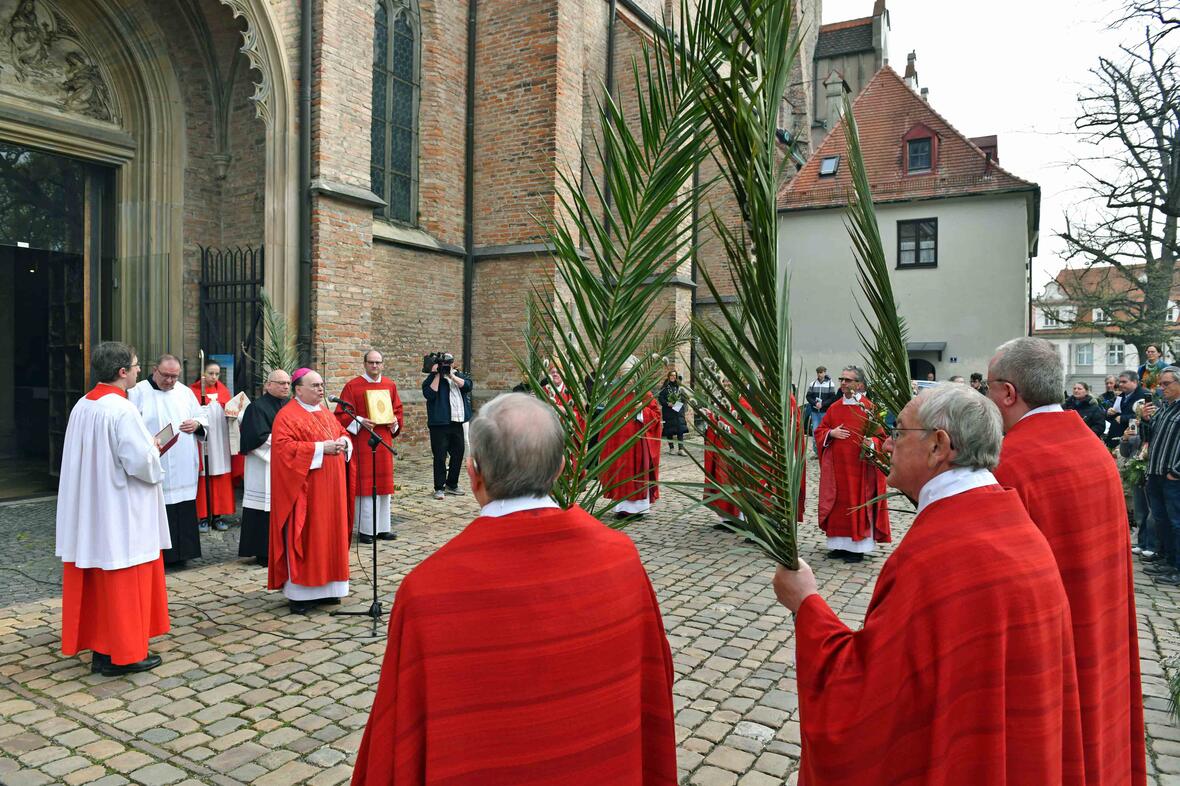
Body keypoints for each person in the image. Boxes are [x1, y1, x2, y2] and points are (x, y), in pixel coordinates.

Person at [351, 393, 677, 785]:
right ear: (560, 468)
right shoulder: (621, 557)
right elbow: (655, 677)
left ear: (473, 474)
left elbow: (398, 731)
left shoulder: (426, 592)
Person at [773, 384, 1085, 786]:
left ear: (939, 446)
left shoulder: (937, 553)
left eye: (899, 432)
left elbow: (869, 701)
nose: (886, 445)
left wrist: (806, 604)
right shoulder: (1011, 519)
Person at [987, 337, 1146, 786]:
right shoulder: (1092, 448)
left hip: (1047, 657)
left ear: (1008, 393)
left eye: (988, 388)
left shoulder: (1010, 464)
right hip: (1098, 625)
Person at [56, 342, 171, 677]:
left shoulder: (83, 404)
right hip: (121, 508)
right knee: (124, 574)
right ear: (122, 372)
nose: (138, 370)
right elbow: (140, 463)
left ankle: (102, 649)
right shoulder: (122, 410)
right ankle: (125, 653)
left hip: (91, 505)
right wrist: (155, 448)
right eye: (136, 366)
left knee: (100, 574)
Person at [268, 369, 353, 614]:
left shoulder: (325, 412)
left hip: (333, 490)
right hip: (306, 491)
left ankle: (330, 589)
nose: (320, 389)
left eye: (321, 385)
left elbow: (342, 433)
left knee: (331, 535)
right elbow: (284, 450)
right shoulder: (287, 416)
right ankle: (302, 594)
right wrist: (319, 449)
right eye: (314, 385)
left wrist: (344, 443)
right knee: (309, 535)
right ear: (298, 389)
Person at [129, 354, 208, 567]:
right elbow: (129, 426)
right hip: (157, 461)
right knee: (159, 506)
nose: (171, 381)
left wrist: (197, 424)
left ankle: (185, 553)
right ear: (155, 370)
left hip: (183, 461)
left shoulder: (185, 392)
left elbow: (201, 416)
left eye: (175, 377)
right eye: (166, 376)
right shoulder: (137, 392)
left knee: (183, 507)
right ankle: (160, 556)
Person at [813, 366, 890, 562]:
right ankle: (838, 545)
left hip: (859, 469)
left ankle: (857, 548)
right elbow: (820, 429)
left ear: (860, 384)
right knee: (838, 503)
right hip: (837, 469)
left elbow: (881, 438)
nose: (843, 383)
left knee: (857, 504)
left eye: (848, 380)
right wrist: (831, 433)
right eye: (842, 379)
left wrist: (871, 442)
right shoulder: (834, 407)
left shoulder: (869, 408)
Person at [335, 350, 404, 543]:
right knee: (366, 485)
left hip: (383, 440)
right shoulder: (352, 386)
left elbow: (397, 410)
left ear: (382, 364)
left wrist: (394, 422)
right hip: (363, 440)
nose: (374, 366)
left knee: (383, 485)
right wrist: (359, 421)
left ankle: (383, 527)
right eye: (371, 362)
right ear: (364, 364)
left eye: (378, 362)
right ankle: (366, 529)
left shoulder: (390, 385)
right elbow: (341, 414)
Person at [237, 369, 291, 566]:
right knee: (262, 507)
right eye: (280, 383)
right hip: (264, 464)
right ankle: (262, 552)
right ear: (268, 385)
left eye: (287, 383)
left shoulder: (290, 405)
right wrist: (287, 446)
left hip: (286, 465)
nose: (285, 386)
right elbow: (256, 437)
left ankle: (283, 547)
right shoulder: (257, 408)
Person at [600, 357, 662, 519]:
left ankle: (638, 509)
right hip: (619, 444)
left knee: (636, 474)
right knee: (621, 474)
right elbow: (608, 418)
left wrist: (641, 411)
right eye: (624, 374)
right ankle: (621, 508)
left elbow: (656, 415)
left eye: (630, 374)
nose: (628, 379)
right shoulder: (616, 393)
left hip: (637, 444)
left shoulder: (643, 392)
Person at [1140, 366, 1180, 585]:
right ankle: (1168, 559)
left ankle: (1178, 568)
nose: (1161, 388)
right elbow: (1150, 438)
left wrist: (1176, 472)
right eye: (1160, 384)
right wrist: (1146, 420)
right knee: (1162, 521)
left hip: (1173, 477)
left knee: (1177, 523)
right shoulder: (1164, 408)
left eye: (1166, 384)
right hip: (1155, 473)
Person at [190, 361, 235, 531]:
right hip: (203, 440)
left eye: (217, 374)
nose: (214, 377)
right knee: (204, 474)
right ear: (203, 374)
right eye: (211, 373)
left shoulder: (223, 391)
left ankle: (218, 515)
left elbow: (230, 411)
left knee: (220, 474)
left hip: (220, 439)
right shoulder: (192, 392)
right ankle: (202, 515)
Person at [422, 352, 473, 500]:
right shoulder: (432, 378)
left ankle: (452, 484)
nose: (446, 367)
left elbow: (468, 386)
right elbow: (430, 394)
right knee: (440, 456)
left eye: (448, 364)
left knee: (458, 453)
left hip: (457, 422)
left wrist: (451, 376)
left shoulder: (458, 376)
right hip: (439, 424)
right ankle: (439, 487)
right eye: (444, 365)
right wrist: (438, 375)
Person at [1108, 370, 1149, 443]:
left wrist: (1124, 418)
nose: (1120, 384)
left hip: (1133, 441)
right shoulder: (1121, 396)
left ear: (1135, 382)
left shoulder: (1145, 395)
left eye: (1124, 382)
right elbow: (1113, 415)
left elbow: (1148, 416)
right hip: (1116, 439)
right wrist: (1109, 412)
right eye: (1119, 382)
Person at [804, 366, 837, 449]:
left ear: (825, 373)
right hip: (815, 412)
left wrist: (823, 404)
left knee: (825, 431)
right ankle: (816, 452)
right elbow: (808, 396)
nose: (819, 374)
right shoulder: (813, 384)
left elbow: (833, 398)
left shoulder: (830, 384)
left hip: (825, 412)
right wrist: (815, 403)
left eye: (821, 372)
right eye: (818, 372)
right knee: (815, 432)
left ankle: (824, 450)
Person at [657, 370, 688, 455]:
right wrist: (667, 403)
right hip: (668, 410)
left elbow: (684, 398)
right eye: (671, 375)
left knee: (680, 429)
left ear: (676, 377)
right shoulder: (665, 387)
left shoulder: (679, 387)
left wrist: (678, 404)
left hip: (678, 410)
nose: (673, 377)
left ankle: (681, 449)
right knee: (669, 429)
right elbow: (660, 398)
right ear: (668, 376)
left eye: (674, 375)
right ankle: (671, 448)